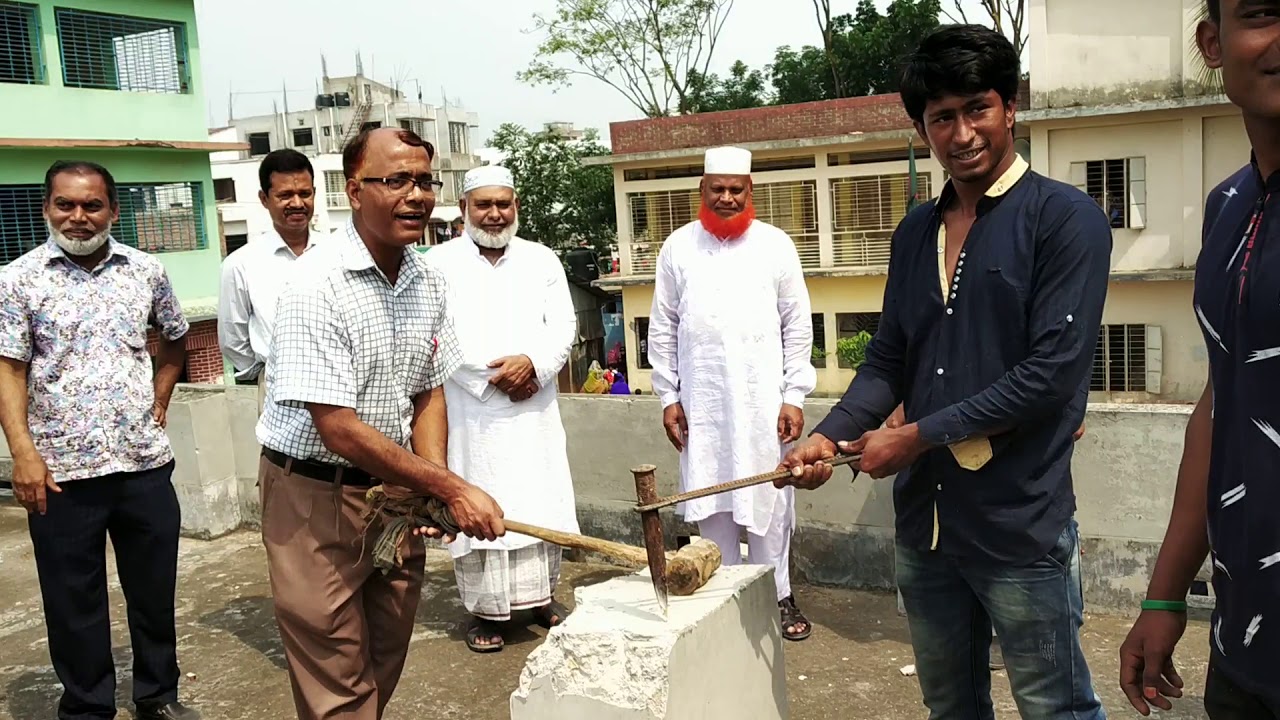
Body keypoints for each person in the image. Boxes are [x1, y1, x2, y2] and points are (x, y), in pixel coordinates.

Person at [777, 24, 1113, 719]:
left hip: (1019, 523)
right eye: (941, 118)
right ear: (923, 127)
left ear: (1011, 106)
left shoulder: (1065, 220)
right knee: (950, 707)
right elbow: (890, 360)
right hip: (926, 529)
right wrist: (830, 434)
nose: (961, 133)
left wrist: (916, 436)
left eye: (976, 109)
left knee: (1056, 708)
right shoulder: (913, 232)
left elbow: (1050, 374)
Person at [255, 127, 506, 719]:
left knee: (385, 656)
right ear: (354, 190)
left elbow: (428, 389)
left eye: (423, 181)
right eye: (395, 180)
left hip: (395, 496)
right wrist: (450, 488)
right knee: (337, 679)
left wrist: (429, 483)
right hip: (315, 498)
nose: (414, 196)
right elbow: (335, 427)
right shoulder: (315, 284)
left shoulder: (427, 280)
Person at [1119, 2, 1280, 717]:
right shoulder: (1229, 209)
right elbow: (1224, 398)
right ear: (1214, 43)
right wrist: (1165, 590)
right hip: (1245, 640)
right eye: (1265, 13)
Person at [0, 161, 198, 720]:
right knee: (72, 602)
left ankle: (157, 695)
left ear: (113, 210)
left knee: (153, 594)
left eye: (92, 205)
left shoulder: (146, 271)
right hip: (62, 472)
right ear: (47, 208)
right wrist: (23, 453)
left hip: (142, 464)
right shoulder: (17, 280)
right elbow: (8, 370)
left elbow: (176, 339)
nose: (79, 217)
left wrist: (158, 402)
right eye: (66, 204)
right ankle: (88, 707)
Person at [646, 144, 817, 641]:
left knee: (769, 501)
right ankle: (719, 599)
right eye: (716, 189)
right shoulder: (677, 247)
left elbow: (797, 325)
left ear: (750, 191)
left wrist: (794, 395)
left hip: (765, 404)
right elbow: (663, 327)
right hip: (703, 405)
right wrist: (668, 397)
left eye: (735, 189)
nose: (725, 198)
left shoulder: (776, 245)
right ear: (702, 190)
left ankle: (777, 595)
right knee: (712, 500)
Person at [424, 165, 580, 653]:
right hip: (471, 410)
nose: (494, 214)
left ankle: (540, 600)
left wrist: (532, 364)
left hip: (533, 403)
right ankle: (483, 612)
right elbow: (435, 332)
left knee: (538, 494)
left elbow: (564, 324)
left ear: (516, 207)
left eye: (503, 204)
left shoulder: (542, 259)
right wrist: (492, 379)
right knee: (478, 498)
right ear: (465, 209)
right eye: (483, 205)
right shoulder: (437, 263)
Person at [217, 149, 321, 411]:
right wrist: (265, 371)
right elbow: (232, 339)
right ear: (264, 199)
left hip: (343, 386)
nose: (297, 203)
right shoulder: (241, 264)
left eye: (305, 194)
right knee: (282, 454)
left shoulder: (338, 252)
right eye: (285, 195)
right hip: (279, 391)